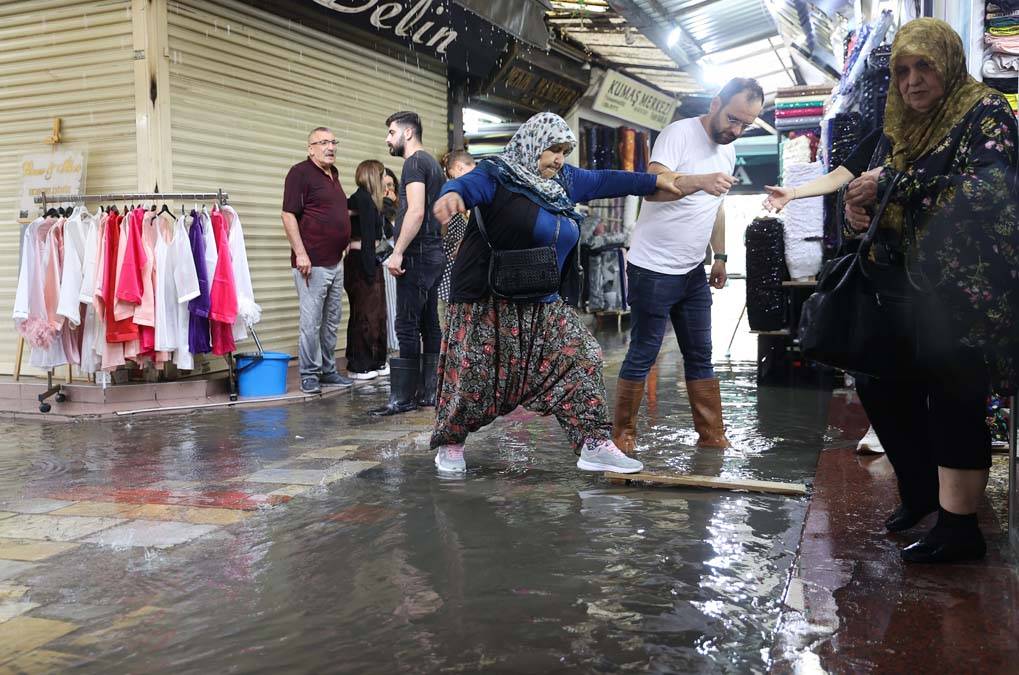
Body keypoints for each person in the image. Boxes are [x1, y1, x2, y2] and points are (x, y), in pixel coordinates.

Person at [842, 18, 1018, 563]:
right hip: (904, 289)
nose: (912, 81)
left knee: (952, 397)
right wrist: (857, 211)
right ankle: (921, 493)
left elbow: (992, 188)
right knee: (879, 381)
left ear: (948, 63)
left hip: (964, 288)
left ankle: (958, 526)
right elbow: (875, 191)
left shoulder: (984, 110)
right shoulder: (901, 127)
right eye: (901, 71)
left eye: (924, 67)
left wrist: (895, 186)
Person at [429, 112, 690, 475]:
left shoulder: (563, 181)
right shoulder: (497, 174)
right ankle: (452, 442)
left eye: (565, 151)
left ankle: (594, 443)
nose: (559, 159)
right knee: (475, 375)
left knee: (582, 356)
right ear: (532, 143)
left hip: (542, 300)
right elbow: (467, 185)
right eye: (553, 149)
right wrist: (451, 194)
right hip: (485, 298)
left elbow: (608, 180)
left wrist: (656, 180)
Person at [611, 78, 764, 455]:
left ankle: (712, 434)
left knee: (700, 354)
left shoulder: (727, 151)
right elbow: (652, 187)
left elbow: (718, 206)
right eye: (733, 119)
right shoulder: (677, 134)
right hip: (652, 268)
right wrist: (699, 181)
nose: (736, 130)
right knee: (644, 350)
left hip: (693, 271)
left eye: (746, 125)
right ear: (715, 103)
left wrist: (721, 256)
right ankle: (622, 434)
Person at [370, 111, 446, 417]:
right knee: (429, 322)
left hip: (417, 253)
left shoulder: (414, 163)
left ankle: (404, 398)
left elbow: (415, 212)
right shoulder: (433, 164)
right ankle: (429, 393)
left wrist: (398, 251)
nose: (388, 139)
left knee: (406, 324)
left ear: (408, 133)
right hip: (432, 251)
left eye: (391, 132)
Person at [281, 127, 354, 394]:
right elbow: (288, 215)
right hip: (312, 262)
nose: (330, 147)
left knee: (332, 320)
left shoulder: (333, 174)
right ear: (310, 148)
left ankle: (328, 370)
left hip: (335, 261)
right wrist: (301, 253)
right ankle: (309, 374)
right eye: (323, 142)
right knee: (311, 322)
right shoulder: (300, 173)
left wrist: (343, 239)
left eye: (333, 142)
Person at [344, 160, 389, 380]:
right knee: (365, 313)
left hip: (370, 260)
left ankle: (375, 360)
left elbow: (382, 230)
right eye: (381, 176)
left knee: (377, 314)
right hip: (362, 261)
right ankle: (360, 363)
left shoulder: (370, 202)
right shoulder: (359, 200)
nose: (384, 181)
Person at [437, 150, 476, 327]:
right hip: (452, 270)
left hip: (464, 271)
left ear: (459, 168)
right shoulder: (452, 195)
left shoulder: (475, 190)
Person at [381, 168, 399, 359]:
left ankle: (397, 349)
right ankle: (390, 350)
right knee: (388, 307)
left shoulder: (402, 208)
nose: (388, 190)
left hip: (401, 262)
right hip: (385, 263)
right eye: (384, 186)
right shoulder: (377, 208)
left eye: (391, 185)